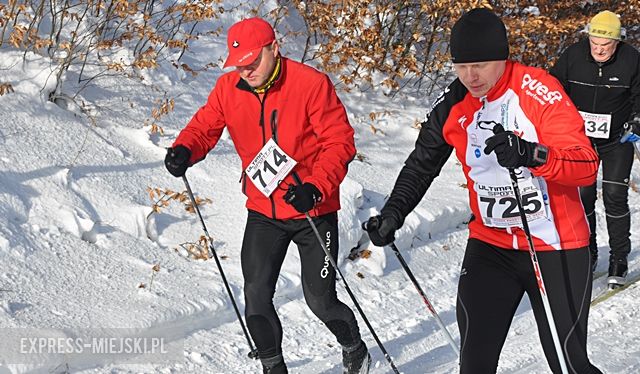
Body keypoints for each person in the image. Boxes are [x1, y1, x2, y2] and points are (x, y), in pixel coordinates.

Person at [365, 8, 602, 374]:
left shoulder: (538, 91)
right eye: (461, 66)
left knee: (569, 364)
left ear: (502, 58)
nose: (470, 76)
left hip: (555, 247)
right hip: (491, 246)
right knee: (474, 362)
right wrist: (394, 212)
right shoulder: (454, 102)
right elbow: (422, 162)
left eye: (480, 65)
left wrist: (531, 154)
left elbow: (586, 165)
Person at [164, 17, 370, 374]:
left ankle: (354, 346)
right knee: (256, 297)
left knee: (320, 301)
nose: (246, 72)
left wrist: (316, 187)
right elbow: (204, 126)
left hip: (311, 211)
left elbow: (340, 142)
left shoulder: (310, 84)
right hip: (263, 211)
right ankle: (273, 368)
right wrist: (185, 148)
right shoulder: (229, 88)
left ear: (274, 49)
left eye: (252, 63)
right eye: (239, 66)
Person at [550, 10, 640, 287]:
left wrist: (636, 122)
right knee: (583, 197)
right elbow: (552, 88)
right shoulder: (573, 56)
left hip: (617, 140)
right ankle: (586, 252)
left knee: (614, 194)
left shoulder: (632, 59)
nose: (600, 50)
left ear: (617, 42)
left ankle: (619, 258)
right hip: (580, 141)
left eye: (606, 45)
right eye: (595, 44)